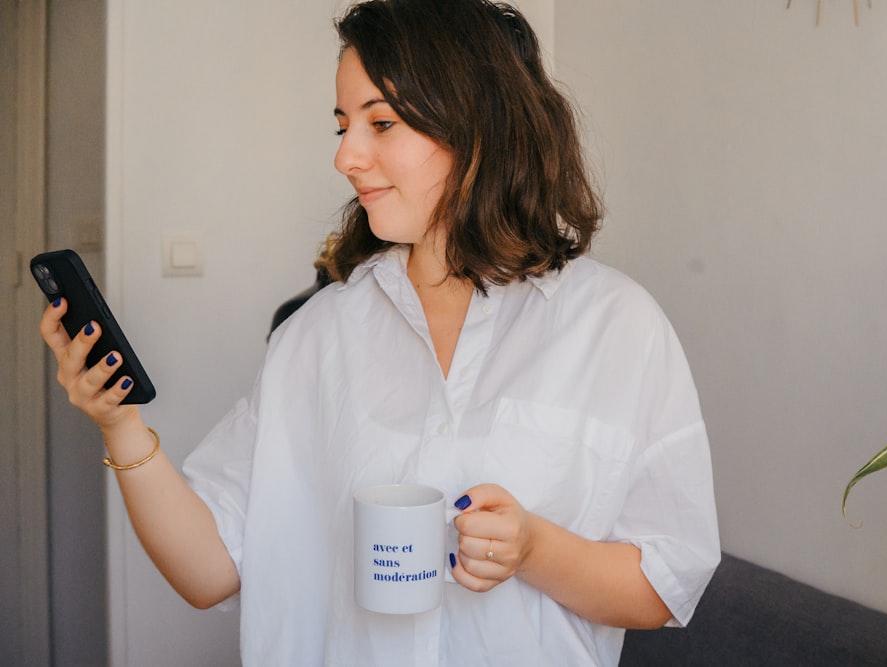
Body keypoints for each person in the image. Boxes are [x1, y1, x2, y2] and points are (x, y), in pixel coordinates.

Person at [39, 0, 720, 664]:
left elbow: (663, 584)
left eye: (382, 122)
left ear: (478, 124)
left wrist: (534, 549)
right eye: (342, 125)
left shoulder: (616, 327)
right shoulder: (316, 335)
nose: (346, 157)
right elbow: (209, 569)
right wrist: (120, 424)